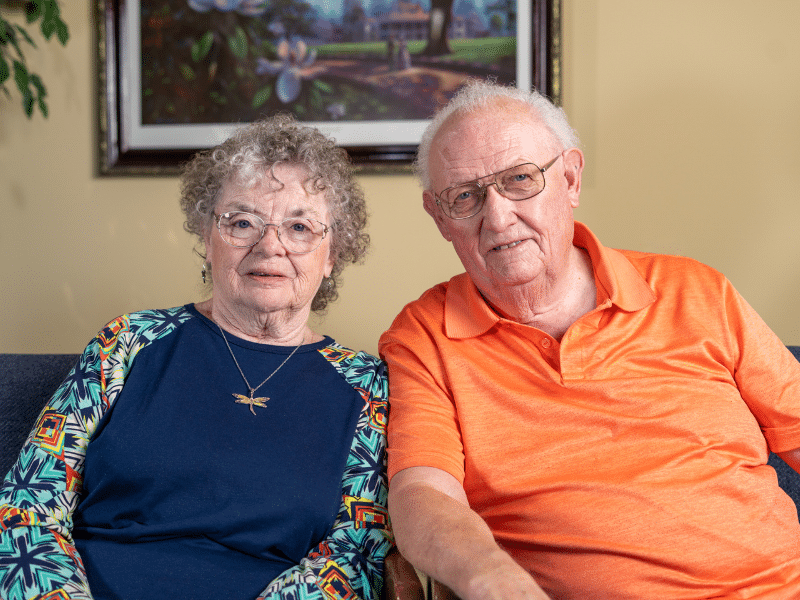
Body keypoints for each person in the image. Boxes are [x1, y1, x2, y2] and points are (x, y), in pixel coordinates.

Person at [378, 80, 800, 600]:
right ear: (439, 217)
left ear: (571, 178)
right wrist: (492, 576)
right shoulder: (424, 336)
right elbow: (423, 494)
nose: (498, 216)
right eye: (465, 196)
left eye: (519, 180)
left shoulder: (695, 291)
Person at [0, 114, 392, 600]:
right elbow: (27, 506)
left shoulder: (366, 386)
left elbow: (355, 551)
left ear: (332, 253)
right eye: (242, 221)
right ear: (207, 238)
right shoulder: (128, 342)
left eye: (299, 227)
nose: (270, 245)